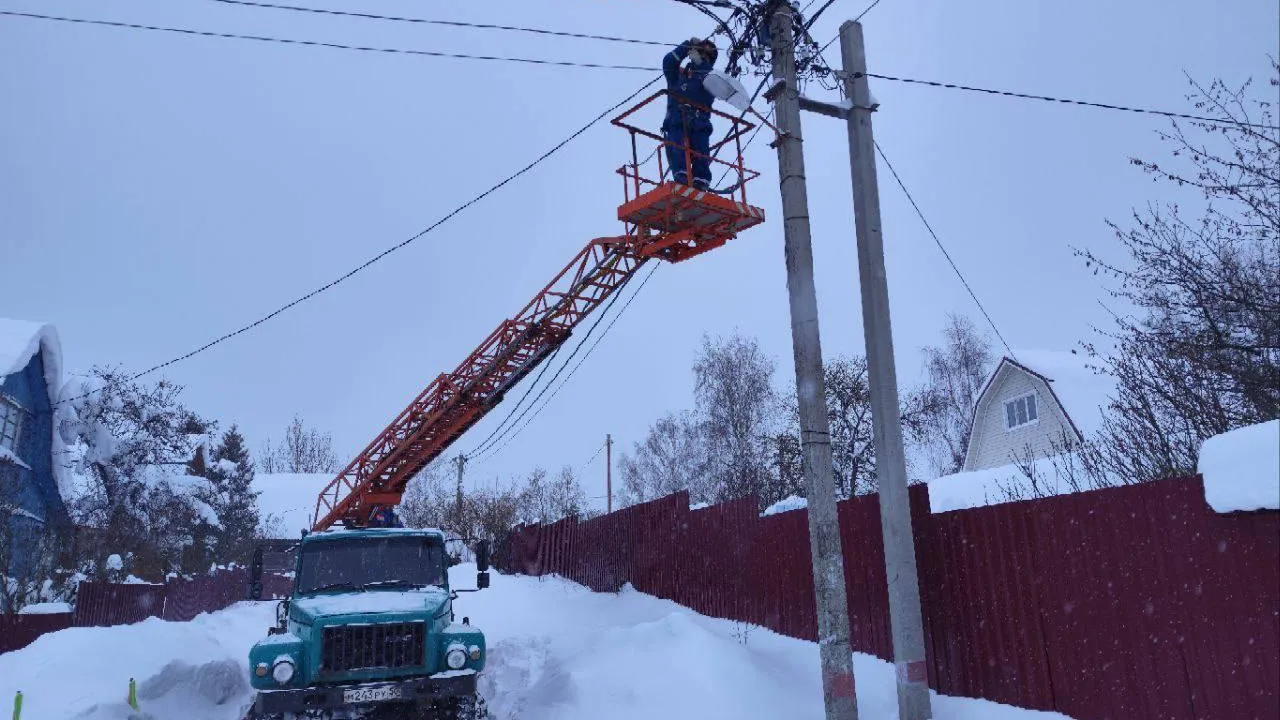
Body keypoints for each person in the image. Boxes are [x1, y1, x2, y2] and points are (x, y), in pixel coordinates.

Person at [662, 37, 719, 190]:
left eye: (706, 57)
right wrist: (686, 45)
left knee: (701, 151)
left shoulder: (710, 79)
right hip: (676, 122)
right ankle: (681, 175)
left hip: (699, 123)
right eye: (700, 53)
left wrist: (701, 64)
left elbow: (708, 77)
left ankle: (701, 181)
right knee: (677, 146)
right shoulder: (678, 77)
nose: (702, 58)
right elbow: (668, 62)